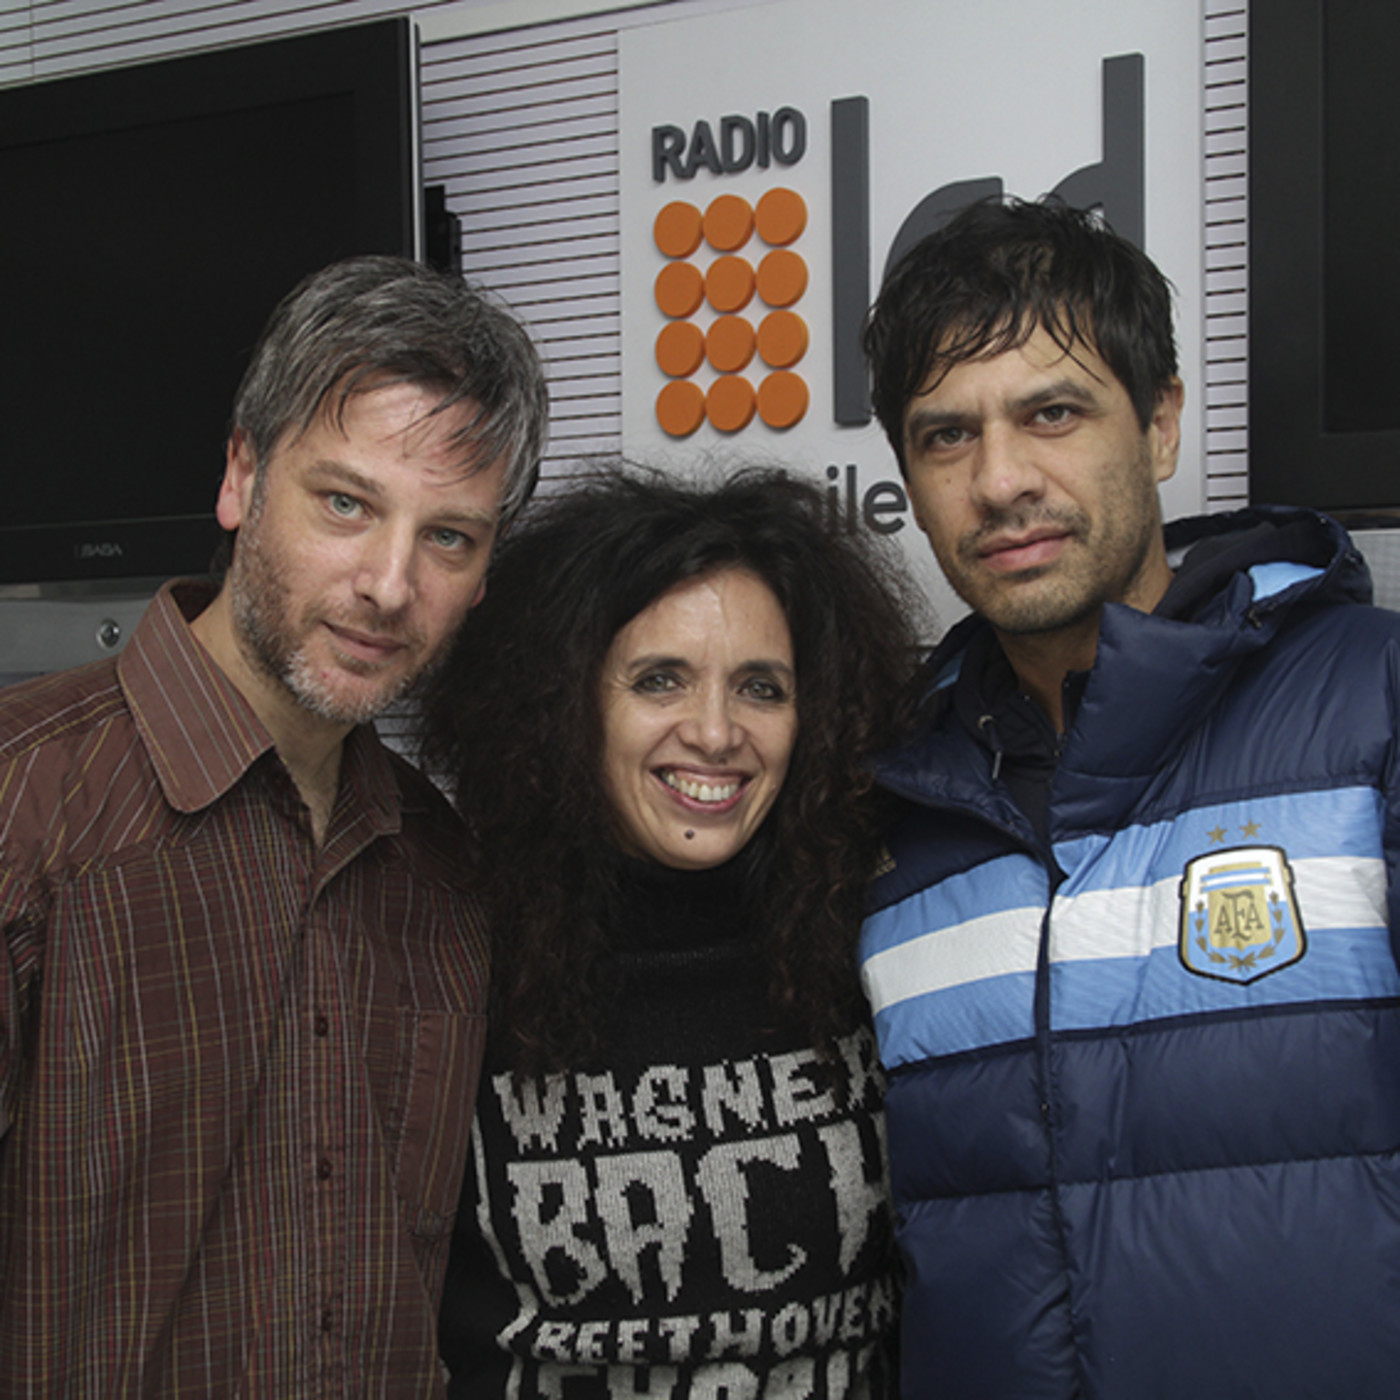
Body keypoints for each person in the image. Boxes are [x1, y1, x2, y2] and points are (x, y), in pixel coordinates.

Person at [857, 193, 1400, 1397]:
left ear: (1158, 423)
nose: (998, 479)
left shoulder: (1371, 701)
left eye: (1050, 412)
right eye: (945, 435)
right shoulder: (885, 803)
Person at [0, 254, 549, 1394]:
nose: (388, 584)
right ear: (242, 477)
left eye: (448, 537)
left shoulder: (444, 873)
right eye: (346, 503)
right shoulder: (23, 805)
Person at [421, 469, 917, 1399]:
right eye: (660, 680)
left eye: (761, 688)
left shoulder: (883, 937)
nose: (716, 732)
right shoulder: (447, 957)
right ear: (561, 705)